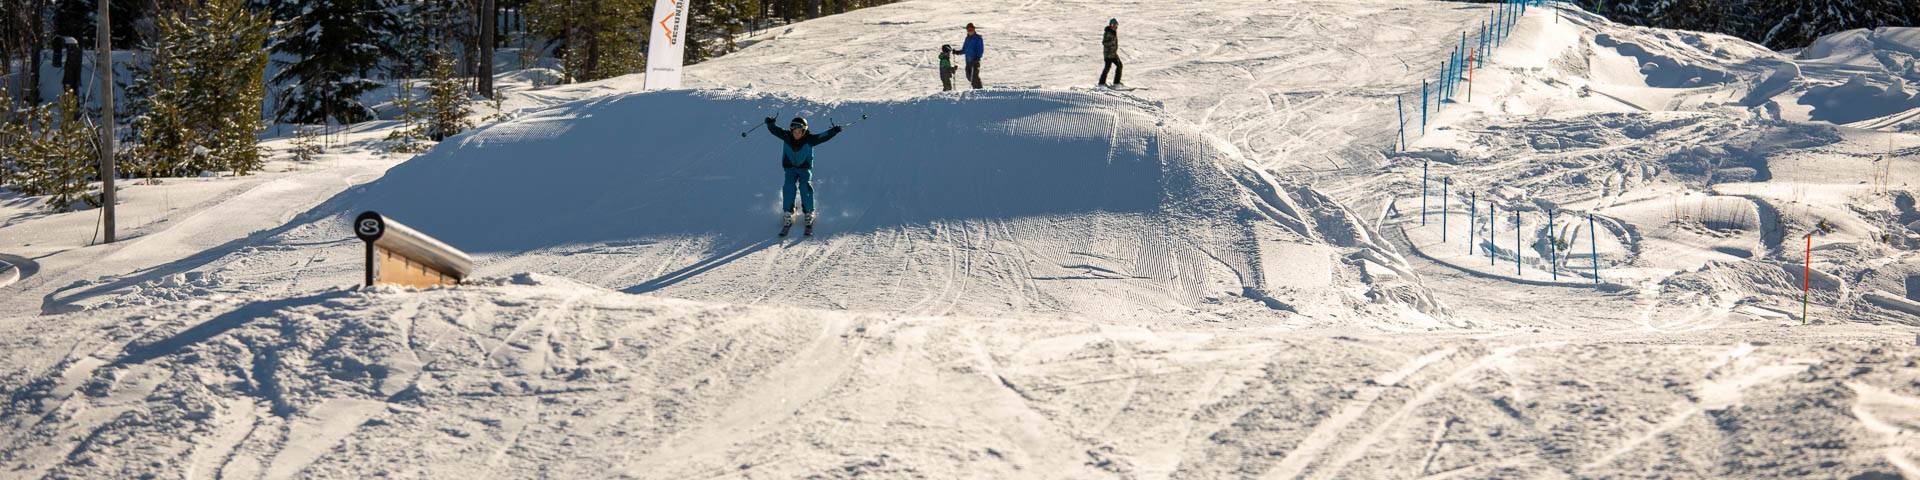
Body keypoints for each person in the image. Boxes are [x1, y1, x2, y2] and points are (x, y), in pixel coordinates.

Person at [764, 116, 842, 235]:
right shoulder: (786, 136)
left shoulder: (810, 139)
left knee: (805, 187)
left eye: (799, 132)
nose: (796, 134)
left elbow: (822, 137)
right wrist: (770, 123)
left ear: (804, 131)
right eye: (794, 131)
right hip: (790, 169)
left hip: (804, 169)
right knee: (788, 187)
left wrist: (833, 131)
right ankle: (788, 213)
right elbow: (775, 130)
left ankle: (808, 213)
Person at [1100, 19, 1124, 88]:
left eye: (1116, 25)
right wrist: (1111, 43)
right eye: (1113, 25)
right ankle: (1101, 83)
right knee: (1107, 67)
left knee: (1119, 65)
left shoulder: (1114, 32)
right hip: (1108, 54)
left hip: (1113, 54)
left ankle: (1116, 82)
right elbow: (1104, 43)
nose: (1114, 26)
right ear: (1110, 25)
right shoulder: (1108, 32)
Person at [960, 23, 985, 89]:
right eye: (968, 29)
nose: (970, 31)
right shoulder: (967, 39)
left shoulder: (978, 38)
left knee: (974, 76)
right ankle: (976, 89)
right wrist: (958, 52)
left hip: (975, 61)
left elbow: (980, 49)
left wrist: (977, 57)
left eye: (971, 29)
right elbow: (964, 49)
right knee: (969, 76)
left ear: (974, 29)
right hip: (968, 61)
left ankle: (979, 89)